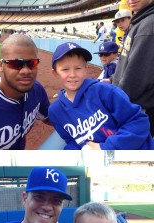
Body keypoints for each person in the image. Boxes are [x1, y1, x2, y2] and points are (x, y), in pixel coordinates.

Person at [48, 42, 154, 150]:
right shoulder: (55, 111)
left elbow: (138, 122)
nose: (72, 74)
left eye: (78, 68)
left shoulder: (105, 91)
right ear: (55, 73)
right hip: (104, 164)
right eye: (65, 69)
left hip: (139, 157)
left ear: (85, 69)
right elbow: (73, 141)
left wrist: (105, 148)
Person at [110, 0, 154, 136]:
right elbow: (127, 62)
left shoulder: (149, 25)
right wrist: (112, 80)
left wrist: (112, 104)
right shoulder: (141, 21)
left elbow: (135, 79)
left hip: (140, 112)